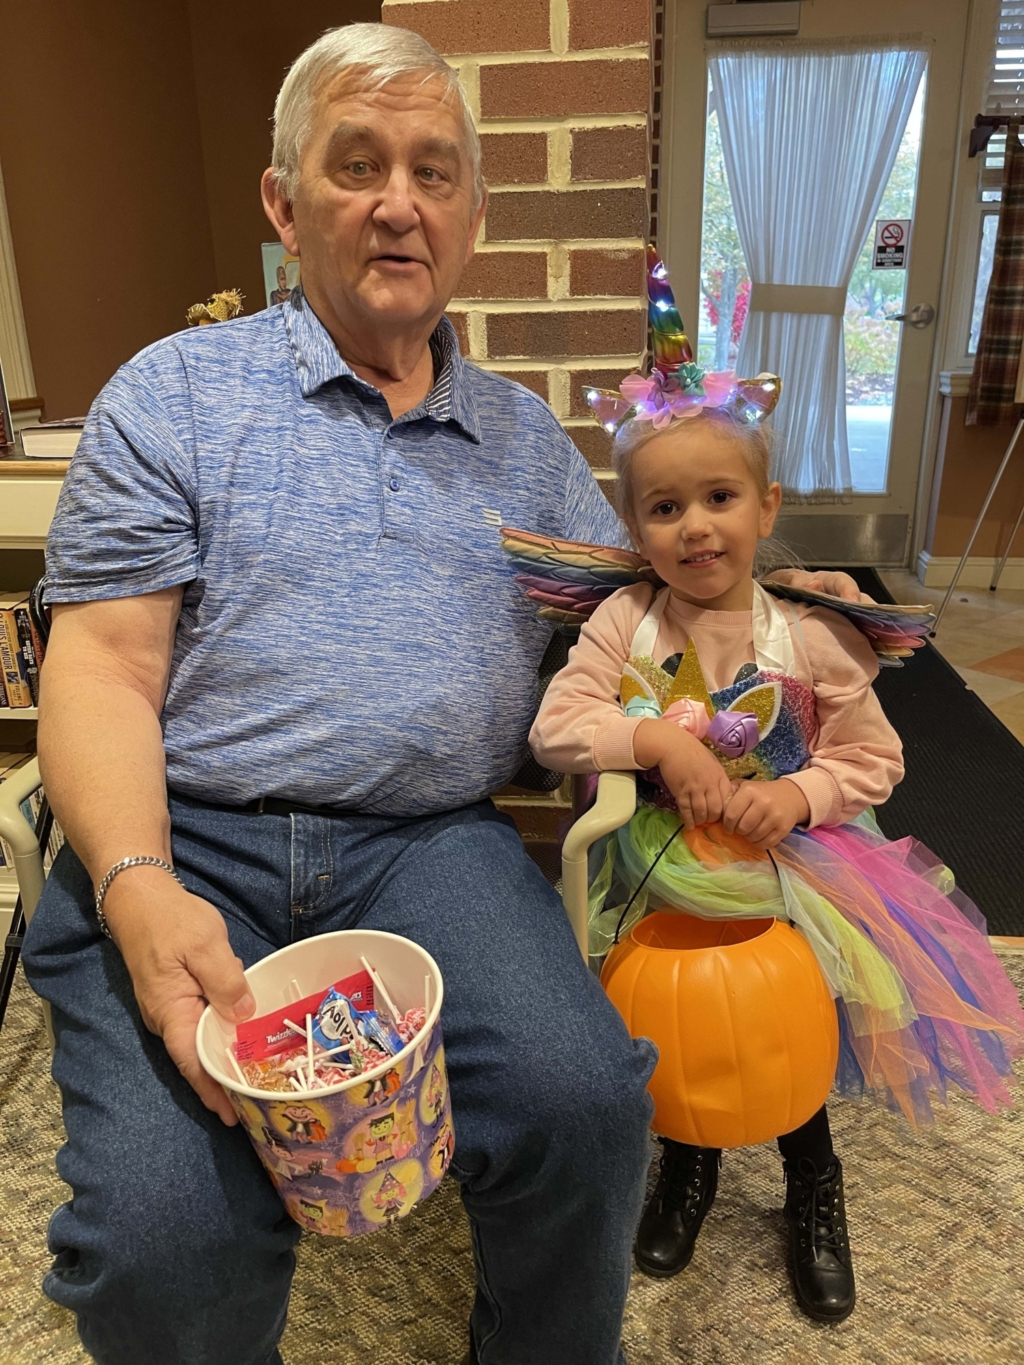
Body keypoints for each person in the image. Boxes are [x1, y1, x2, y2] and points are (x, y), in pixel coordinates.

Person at [23, 25, 862, 1365]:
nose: (399, 203)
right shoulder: (170, 398)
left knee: (586, 1104)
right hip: (187, 843)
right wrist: (134, 885)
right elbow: (104, 669)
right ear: (283, 202)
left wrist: (777, 605)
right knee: (165, 1240)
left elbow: (651, 612)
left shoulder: (527, 443)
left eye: (434, 171)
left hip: (432, 849)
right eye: (357, 165)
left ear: (475, 215)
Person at [528, 253, 1024, 1326]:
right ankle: (689, 1161)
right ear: (635, 528)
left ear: (766, 505)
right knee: (677, 1030)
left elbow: (875, 759)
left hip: (798, 872)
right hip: (660, 870)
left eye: (719, 497)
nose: (695, 527)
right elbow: (557, 728)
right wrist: (652, 741)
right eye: (665, 507)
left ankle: (812, 1174)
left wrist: (798, 799)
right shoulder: (625, 625)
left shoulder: (806, 633)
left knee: (786, 1029)